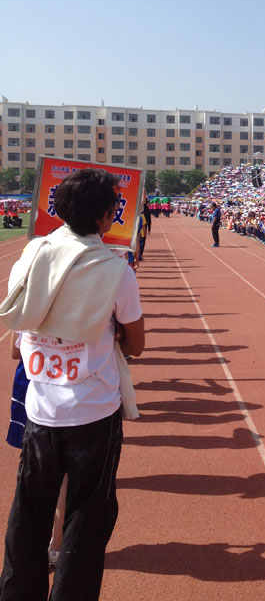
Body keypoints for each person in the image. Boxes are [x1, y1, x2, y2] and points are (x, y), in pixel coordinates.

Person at [0, 168, 145, 601]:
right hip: (93, 413)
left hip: (41, 409)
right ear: (106, 217)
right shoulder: (116, 270)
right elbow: (136, 344)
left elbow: (18, 335)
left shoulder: (31, 255)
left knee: (28, 515)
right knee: (87, 518)